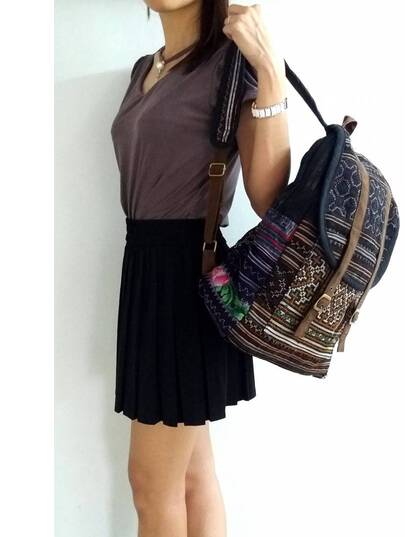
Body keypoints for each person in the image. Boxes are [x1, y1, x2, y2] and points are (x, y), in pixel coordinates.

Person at [110, 1, 290, 535]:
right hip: (145, 270)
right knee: (189, 478)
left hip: (191, 278)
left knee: (152, 486)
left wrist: (270, 69)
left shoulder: (230, 67)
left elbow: (268, 197)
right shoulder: (145, 69)